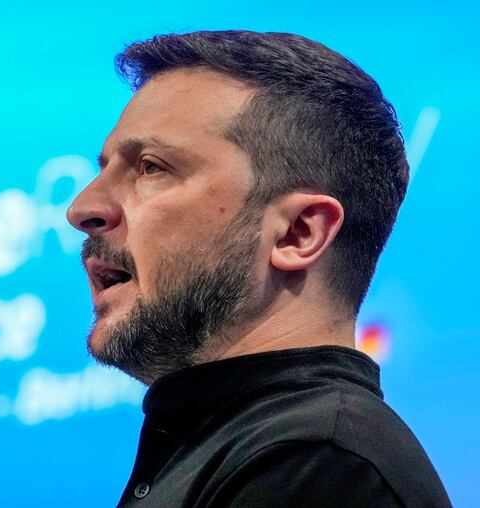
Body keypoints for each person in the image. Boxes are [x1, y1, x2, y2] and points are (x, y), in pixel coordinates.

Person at [66, 30, 450, 507]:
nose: (82, 208)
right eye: (102, 168)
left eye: (150, 167)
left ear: (298, 234)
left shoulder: (315, 466)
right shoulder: (230, 448)